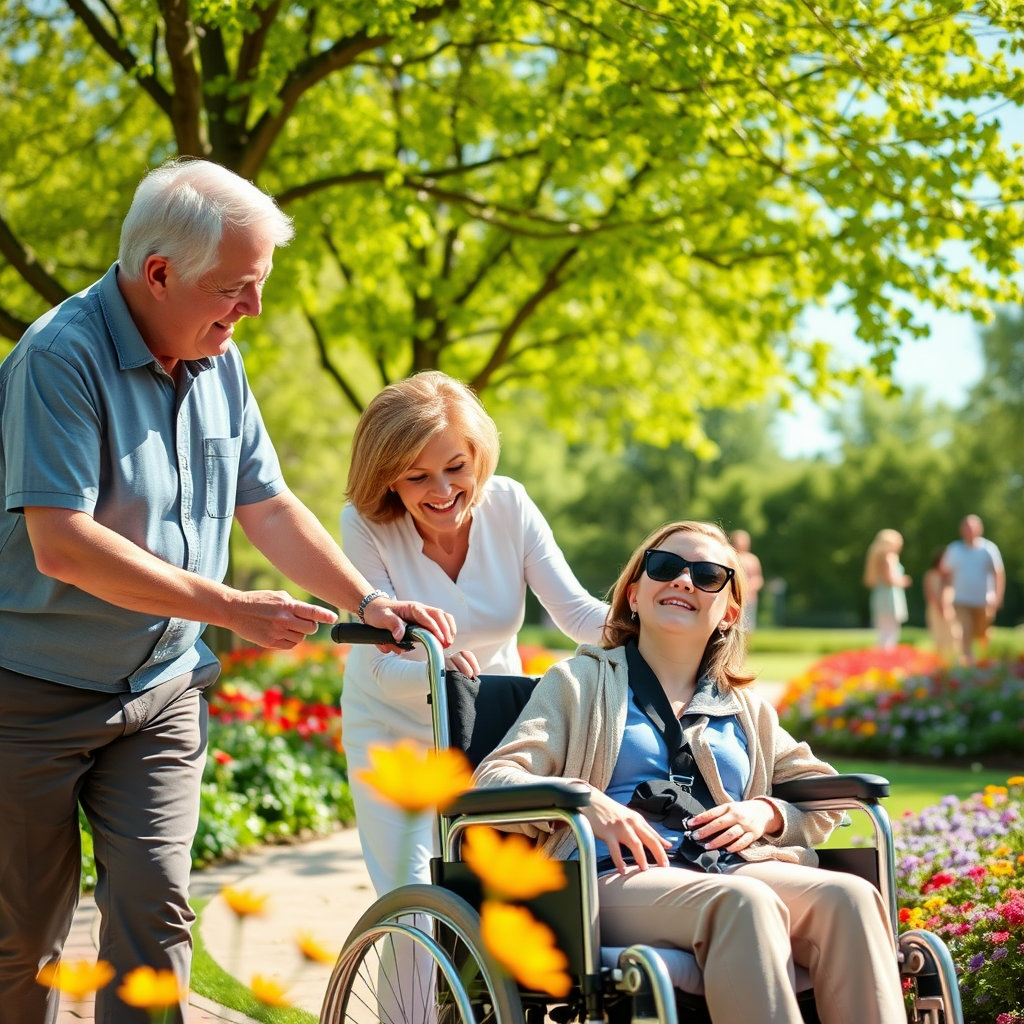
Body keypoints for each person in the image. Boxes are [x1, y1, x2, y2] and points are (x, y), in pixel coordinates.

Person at [0, 159, 456, 1024]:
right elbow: (61, 544)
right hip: (29, 692)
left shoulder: (220, 360)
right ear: (159, 273)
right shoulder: (59, 357)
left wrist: (368, 599)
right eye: (234, 288)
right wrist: (229, 609)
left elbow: (267, 504)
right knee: (24, 942)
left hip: (160, 689)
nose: (253, 308)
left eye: (260, 283)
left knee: (156, 919)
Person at [475, 520, 907, 1024]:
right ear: (634, 594)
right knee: (743, 901)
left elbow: (824, 800)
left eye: (707, 576)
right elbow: (495, 777)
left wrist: (766, 812)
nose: (683, 580)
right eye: (665, 567)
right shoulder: (578, 682)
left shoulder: (744, 708)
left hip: (726, 866)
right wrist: (589, 803)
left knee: (850, 897)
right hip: (611, 876)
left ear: (729, 613)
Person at [341, 370, 609, 895]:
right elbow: (380, 663)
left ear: (478, 457)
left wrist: (654, 629)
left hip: (492, 729)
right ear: (388, 478)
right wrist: (438, 670)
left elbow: (576, 613)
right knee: (413, 894)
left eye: (456, 467)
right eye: (417, 476)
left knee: (497, 893)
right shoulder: (363, 524)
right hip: (394, 732)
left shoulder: (508, 504)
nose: (443, 491)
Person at [941, 513, 1005, 664]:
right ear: (961, 530)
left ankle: (985, 657)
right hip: (961, 599)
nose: (969, 531)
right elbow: (945, 574)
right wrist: (945, 595)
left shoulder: (989, 549)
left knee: (981, 632)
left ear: (980, 529)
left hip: (984, 600)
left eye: (973, 528)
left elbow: (998, 573)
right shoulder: (954, 549)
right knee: (965, 630)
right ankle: (968, 662)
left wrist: (998, 596)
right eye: (967, 528)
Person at [863, 529, 912, 650]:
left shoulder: (877, 558)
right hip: (889, 597)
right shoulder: (889, 558)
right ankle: (886, 659)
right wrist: (904, 581)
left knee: (883, 633)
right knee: (890, 634)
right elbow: (889, 579)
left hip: (880, 596)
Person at [922, 546, 960, 661]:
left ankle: (954, 659)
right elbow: (929, 593)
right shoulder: (930, 574)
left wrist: (945, 606)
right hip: (935, 609)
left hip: (951, 609)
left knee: (954, 634)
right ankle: (940, 661)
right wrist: (939, 606)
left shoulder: (951, 576)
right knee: (938, 635)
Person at [729, 528, 763, 632]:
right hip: (733, 598)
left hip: (749, 599)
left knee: (748, 626)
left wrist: (749, 588)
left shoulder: (752, 559)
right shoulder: (731, 557)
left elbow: (758, 579)